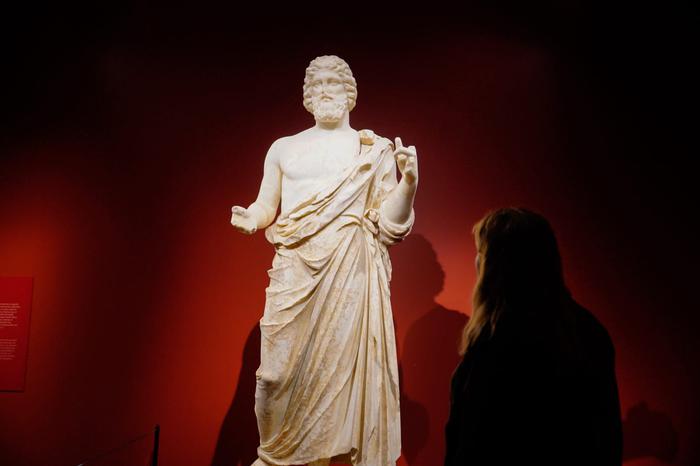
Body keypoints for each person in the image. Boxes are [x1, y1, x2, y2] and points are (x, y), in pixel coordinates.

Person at [230, 55, 418, 466]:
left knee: (341, 377)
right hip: (294, 270)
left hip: (350, 271)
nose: (325, 90)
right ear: (307, 96)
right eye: (316, 84)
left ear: (350, 93)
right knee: (273, 377)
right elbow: (267, 205)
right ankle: (276, 457)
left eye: (333, 82)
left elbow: (392, 225)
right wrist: (253, 218)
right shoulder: (284, 148)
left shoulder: (374, 151)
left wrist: (408, 184)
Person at [445, 208, 622, 466]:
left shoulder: (495, 343)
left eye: (481, 253)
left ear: (495, 268)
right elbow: (606, 440)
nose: (476, 262)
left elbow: (472, 444)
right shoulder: (589, 332)